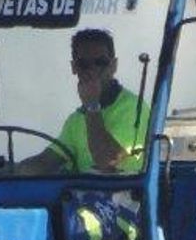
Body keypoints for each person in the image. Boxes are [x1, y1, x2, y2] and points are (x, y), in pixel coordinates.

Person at [21, 28, 151, 175]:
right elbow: (46, 162)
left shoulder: (133, 108)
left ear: (113, 65)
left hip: (126, 196)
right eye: (84, 64)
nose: (93, 70)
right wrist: (6, 170)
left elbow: (108, 160)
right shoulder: (76, 120)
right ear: (74, 67)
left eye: (100, 62)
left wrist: (92, 105)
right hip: (83, 196)